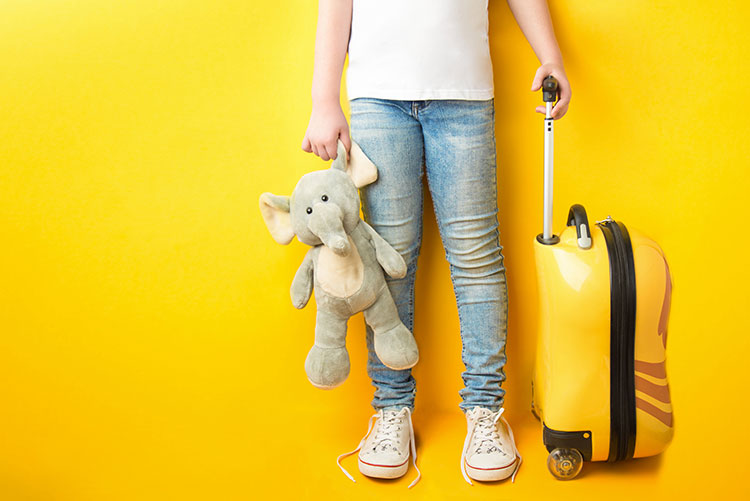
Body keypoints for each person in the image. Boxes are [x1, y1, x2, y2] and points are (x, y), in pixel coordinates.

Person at [301, 0, 571, 487]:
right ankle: (390, 409)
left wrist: (551, 57)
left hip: (463, 95)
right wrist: (324, 100)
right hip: (377, 98)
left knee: (476, 256)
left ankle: (486, 412)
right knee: (385, 261)